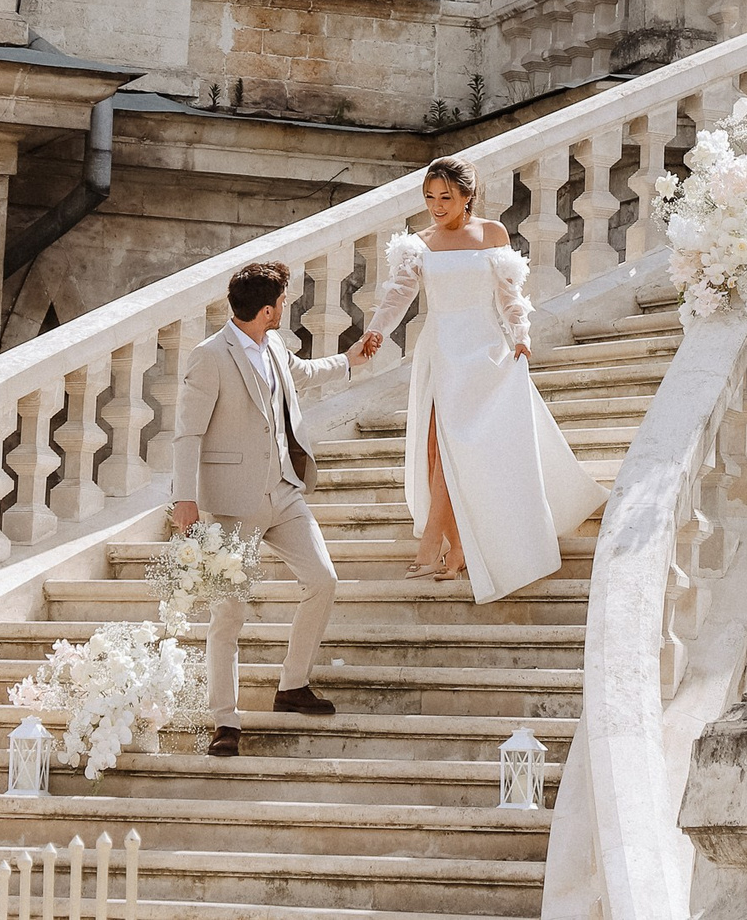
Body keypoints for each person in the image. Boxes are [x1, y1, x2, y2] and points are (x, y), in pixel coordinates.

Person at [356, 156, 605, 603]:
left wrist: (521, 334)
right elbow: (398, 295)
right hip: (441, 348)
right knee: (436, 446)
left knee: (470, 449)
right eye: (429, 197)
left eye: (445, 197)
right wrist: (376, 329)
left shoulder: (493, 234)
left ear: (468, 196)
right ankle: (450, 546)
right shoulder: (419, 243)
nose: (436, 205)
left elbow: (509, 294)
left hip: (485, 349)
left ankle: (453, 545)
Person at [169, 258, 373, 757]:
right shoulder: (208, 357)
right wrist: (185, 500)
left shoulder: (275, 343)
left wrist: (351, 360)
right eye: (282, 302)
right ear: (266, 309)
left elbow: (301, 375)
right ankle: (225, 721)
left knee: (323, 580)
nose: (285, 307)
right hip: (232, 505)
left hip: (284, 491)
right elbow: (187, 432)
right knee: (229, 614)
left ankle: (292, 685)